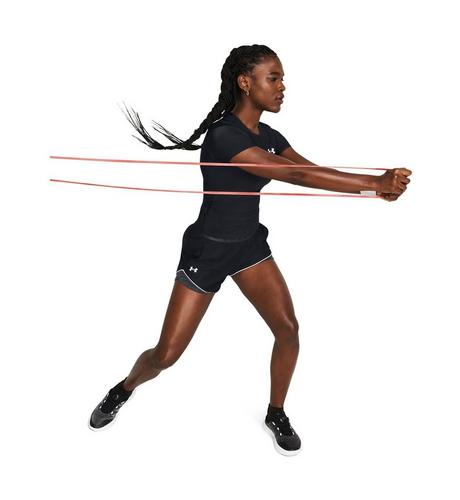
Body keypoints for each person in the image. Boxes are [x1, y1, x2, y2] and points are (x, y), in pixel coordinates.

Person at [88, 44, 412, 456]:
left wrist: (371, 189)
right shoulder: (224, 135)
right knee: (166, 355)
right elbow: (295, 175)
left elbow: (310, 170)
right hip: (207, 251)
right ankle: (123, 388)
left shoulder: (270, 137)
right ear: (245, 82)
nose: (282, 87)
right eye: (273, 78)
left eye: (282, 79)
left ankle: (276, 412)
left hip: (248, 248)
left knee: (288, 330)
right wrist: (375, 181)